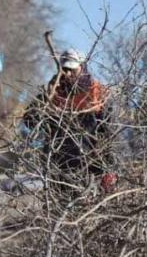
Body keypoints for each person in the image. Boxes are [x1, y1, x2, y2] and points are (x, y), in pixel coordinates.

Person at [23, 49, 116, 193]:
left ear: (82, 67)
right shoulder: (52, 93)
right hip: (59, 164)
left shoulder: (97, 93)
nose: (68, 73)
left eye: (73, 69)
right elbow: (29, 121)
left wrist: (109, 167)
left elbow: (109, 132)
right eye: (65, 69)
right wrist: (42, 112)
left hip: (91, 163)